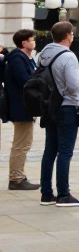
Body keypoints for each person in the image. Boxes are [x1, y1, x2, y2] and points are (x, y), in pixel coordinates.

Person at [37, 21, 79, 207]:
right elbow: (73, 86)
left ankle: (46, 193)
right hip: (67, 106)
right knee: (65, 151)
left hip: (50, 106)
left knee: (50, 150)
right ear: (67, 36)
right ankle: (64, 194)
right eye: (71, 34)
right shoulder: (68, 56)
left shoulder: (43, 55)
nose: (73, 36)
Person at [5, 29, 38, 191]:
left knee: (24, 142)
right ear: (24, 43)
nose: (34, 42)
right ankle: (16, 178)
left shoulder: (24, 58)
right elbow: (26, 80)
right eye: (31, 40)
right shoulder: (18, 58)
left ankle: (19, 176)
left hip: (25, 106)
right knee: (21, 144)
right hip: (22, 106)